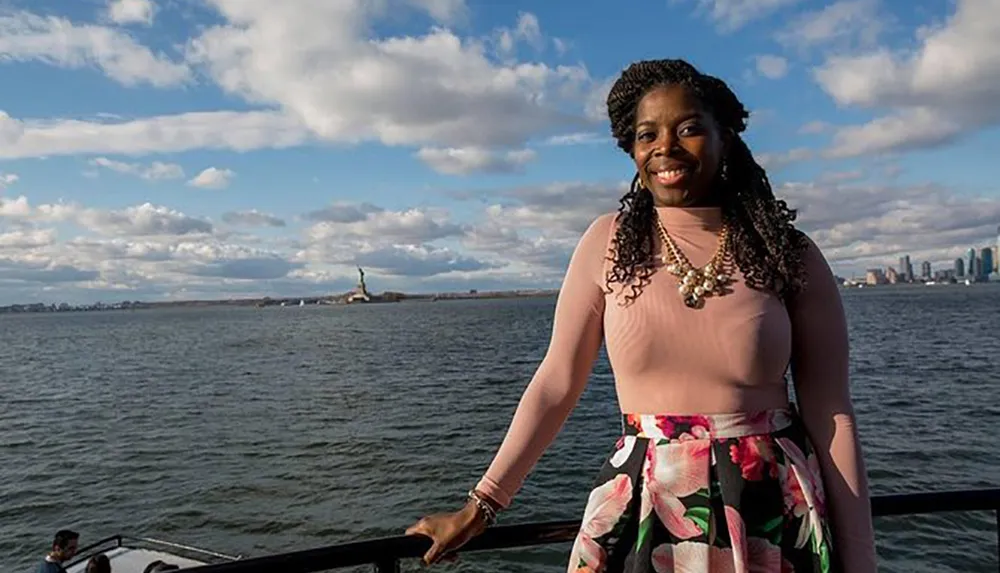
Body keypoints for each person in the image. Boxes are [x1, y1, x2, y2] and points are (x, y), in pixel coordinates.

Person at [405, 58, 878, 572]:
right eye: (645, 134)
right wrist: (481, 505)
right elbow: (556, 382)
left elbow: (832, 416)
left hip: (771, 514)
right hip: (642, 512)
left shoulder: (788, 252)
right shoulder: (606, 243)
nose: (665, 148)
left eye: (690, 129)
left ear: (726, 138)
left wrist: (860, 560)